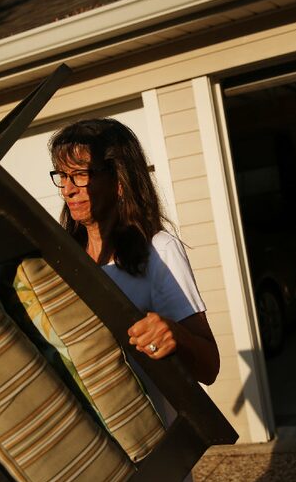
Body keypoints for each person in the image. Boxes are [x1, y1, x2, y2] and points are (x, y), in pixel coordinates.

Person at [47, 118, 220, 399]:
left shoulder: (158, 250)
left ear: (119, 180)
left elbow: (210, 367)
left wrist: (174, 334)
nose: (68, 189)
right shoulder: (61, 257)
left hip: (149, 433)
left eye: (80, 174)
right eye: (62, 176)